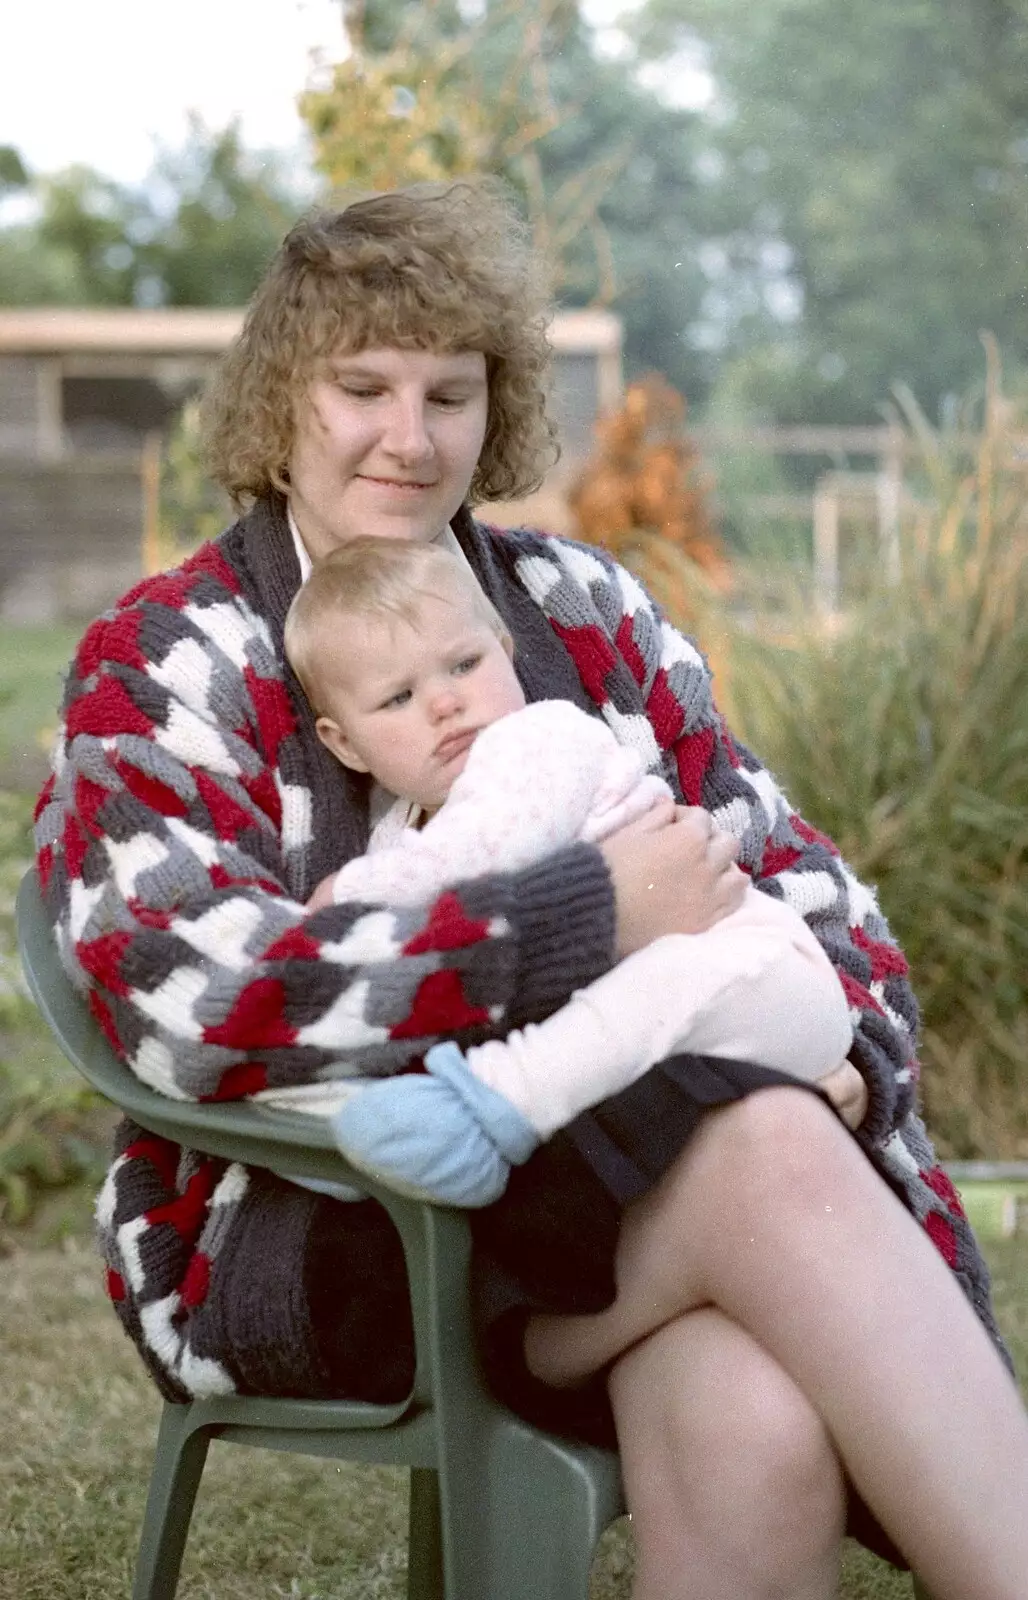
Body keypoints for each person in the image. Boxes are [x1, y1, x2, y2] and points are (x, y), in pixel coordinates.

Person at [34, 178, 1028, 1600]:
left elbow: (806, 887)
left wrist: (850, 1055)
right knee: (759, 1144)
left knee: (745, 1398)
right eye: (362, 386)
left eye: (452, 393)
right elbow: (198, 995)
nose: (410, 434)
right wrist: (586, 920)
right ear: (279, 403)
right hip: (322, 1218)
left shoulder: (579, 612)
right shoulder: (167, 654)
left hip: (613, 1192)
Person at [275, 534, 858, 1207]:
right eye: (398, 697)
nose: (444, 702)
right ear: (344, 742)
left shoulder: (544, 742)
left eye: (464, 663)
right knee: (588, 1020)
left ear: (505, 644)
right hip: (667, 1060)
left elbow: (481, 854)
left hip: (757, 978)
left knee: (656, 987)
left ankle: (484, 1110)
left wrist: (342, 896)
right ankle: (359, 1125)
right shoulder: (398, 834)